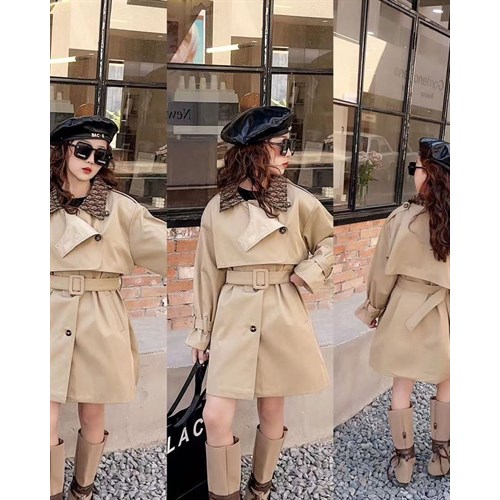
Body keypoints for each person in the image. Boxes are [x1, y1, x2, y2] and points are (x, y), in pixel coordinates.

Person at [184, 106, 333, 499]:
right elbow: (206, 273)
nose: (290, 154)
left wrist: (309, 271)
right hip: (234, 312)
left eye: (290, 145)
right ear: (255, 150)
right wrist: (201, 332)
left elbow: (329, 241)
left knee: (272, 410)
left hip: (281, 309)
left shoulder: (298, 201)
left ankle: (260, 487)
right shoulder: (218, 208)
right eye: (283, 146)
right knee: (215, 414)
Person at [50, 115, 166, 499]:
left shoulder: (121, 209)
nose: (91, 161)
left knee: (92, 411)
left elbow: (167, 251)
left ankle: (83, 488)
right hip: (47, 311)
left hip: (99, 313)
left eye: (101, 155)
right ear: (64, 150)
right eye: (83, 150)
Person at [355, 137, 450, 485]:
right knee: (448, 379)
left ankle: (405, 461)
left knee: (401, 384)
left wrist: (374, 309)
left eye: (416, 167)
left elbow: (382, 272)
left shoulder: (402, 217)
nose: (413, 173)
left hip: (405, 306)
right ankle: (441, 456)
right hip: (449, 309)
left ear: (429, 173)